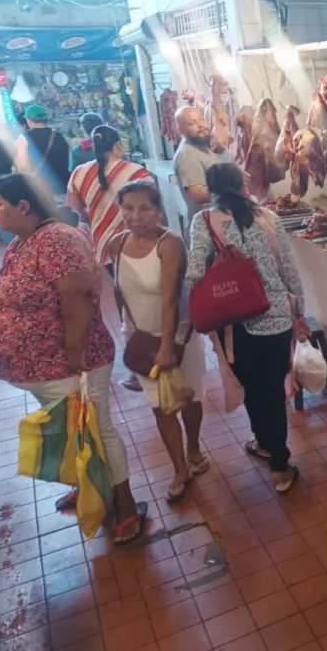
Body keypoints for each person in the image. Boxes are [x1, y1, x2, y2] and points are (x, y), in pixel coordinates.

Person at [0, 174, 144, 544]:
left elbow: (79, 298)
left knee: (97, 429)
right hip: (43, 368)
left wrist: (73, 353)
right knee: (73, 431)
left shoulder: (57, 240)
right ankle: (89, 486)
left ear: (24, 206)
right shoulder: (23, 243)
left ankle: (125, 502)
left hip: (74, 362)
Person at [185, 163, 308, 492]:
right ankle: (275, 458)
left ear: (211, 190)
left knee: (252, 387)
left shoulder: (204, 222)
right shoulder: (269, 218)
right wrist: (300, 313)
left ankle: (274, 453)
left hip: (236, 325)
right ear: (243, 186)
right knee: (271, 390)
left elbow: (194, 273)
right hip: (278, 316)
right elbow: (290, 271)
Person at [110, 179, 209, 502]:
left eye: (144, 208)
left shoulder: (170, 243)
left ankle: (194, 448)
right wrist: (127, 335)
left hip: (178, 338)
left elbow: (169, 299)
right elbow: (119, 292)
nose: (135, 216)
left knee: (189, 397)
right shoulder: (116, 244)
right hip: (140, 338)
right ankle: (180, 468)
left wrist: (167, 346)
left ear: (158, 210)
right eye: (127, 208)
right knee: (160, 409)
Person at [67, 125, 151, 269]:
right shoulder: (136, 172)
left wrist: (93, 218)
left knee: (120, 285)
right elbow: (153, 208)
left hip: (104, 243)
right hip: (138, 241)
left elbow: (76, 209)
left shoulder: (79, 173)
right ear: (118, 145)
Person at [173, 106, 229, 227]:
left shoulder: (199, 145)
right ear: (180, 130)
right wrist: (232, 185)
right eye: (192, 123)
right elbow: (198, 195)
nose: (200, 125)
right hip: (206, 227)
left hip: (216, 222)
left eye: (201, 119)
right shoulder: (188, 156)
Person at [13, 104, 70, 197]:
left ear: (29, 120)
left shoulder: (24, 138)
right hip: (63, 186)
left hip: (41, 189)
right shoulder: (59, 136)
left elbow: (22, 166)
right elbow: (68, 159)